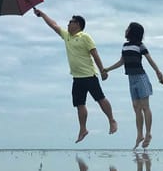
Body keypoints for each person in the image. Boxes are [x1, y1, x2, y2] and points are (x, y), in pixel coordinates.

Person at [33, 8, 117, 143]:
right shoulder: (67, 36)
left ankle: (112, 120)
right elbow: (53, 25)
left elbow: (95, 54)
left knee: (100, 98)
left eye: (70, 22)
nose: (68, 24)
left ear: (77, 24)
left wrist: (102, 70)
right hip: (77, 78)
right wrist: (42, 14)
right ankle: (83, 129)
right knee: (79, 104)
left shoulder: (85, 37)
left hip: (89, 75)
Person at [103, 22, 163, 149]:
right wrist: (108, 69)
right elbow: (121, 62)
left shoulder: (140, 45)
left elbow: (149, 59)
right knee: (136, 107)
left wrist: (158, 72)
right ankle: (139, 134)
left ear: (133, 31)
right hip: (131, 79)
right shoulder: (125, 46)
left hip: (141, 77)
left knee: (145, 106)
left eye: (128, 28)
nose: (126, 30)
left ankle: (148, 134)